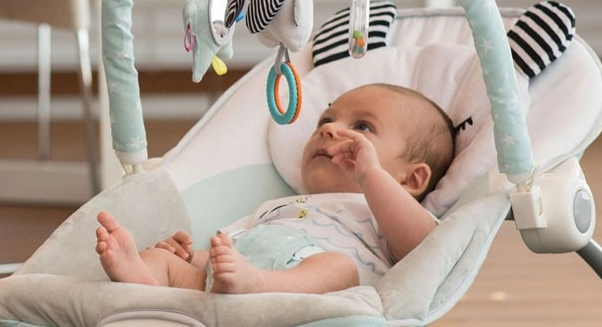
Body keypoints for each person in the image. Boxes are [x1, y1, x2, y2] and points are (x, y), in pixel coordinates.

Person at [94, 83, 456, 294]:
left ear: (411, 180)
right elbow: (234, 246)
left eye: (362, 127)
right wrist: (191, 257)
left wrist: (372, 176)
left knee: (338, 268)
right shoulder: (279, 205)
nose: (329, 129)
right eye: (326, 120)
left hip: (307, 290)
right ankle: (143, 283)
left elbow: (427, 249)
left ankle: (255, 285)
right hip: (233, 278)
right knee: (169, 262)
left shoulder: (383, 213)